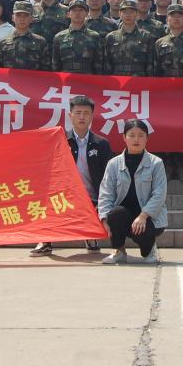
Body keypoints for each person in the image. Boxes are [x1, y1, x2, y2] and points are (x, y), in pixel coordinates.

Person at [30, 95, 112, 256]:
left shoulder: (102, 144)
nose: (82, 117)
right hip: (64, 197)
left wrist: (104, 199)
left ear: (92, 116)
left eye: (86, 113)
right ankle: (45, 241)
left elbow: (108, 176)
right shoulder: (59, 141)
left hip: (92, 199)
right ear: (70, 115)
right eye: (78, 113)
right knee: (44, 203)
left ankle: (90, 236)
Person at [97, 120, 168, 264]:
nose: (136, 140)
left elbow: (159, 194)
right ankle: (119, 251)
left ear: (147, 138)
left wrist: (143, 216)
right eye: (131, 135)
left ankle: (149, 250)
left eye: (141, 135)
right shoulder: (113, 164)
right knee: (115, 214)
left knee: (143, 232)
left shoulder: (156, 163)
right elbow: (106, 193)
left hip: (148, 217)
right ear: (124, 137)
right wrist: (104, 219)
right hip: (124, 216)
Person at [104, 0, 155, 76]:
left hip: (139, 78)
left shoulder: (146, 36)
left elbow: (150, 64)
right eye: (125, 12)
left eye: (131, 12)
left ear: (137, 14)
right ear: (120, 14)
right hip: (118, 79)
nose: (128, 15)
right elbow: (107, 64)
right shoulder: (111, 37)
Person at [52, 0, 104, 73]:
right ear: (68, 14)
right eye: (74, 10)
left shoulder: (94, 36)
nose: (77, 13)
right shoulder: (59, 37)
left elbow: (98, 64)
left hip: (87, 76)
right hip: (66, 75)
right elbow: (55, 64)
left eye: (81, 10)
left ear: (86, 14)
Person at [0, 2, 50, 70]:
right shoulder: (3, 43)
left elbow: (46, 69)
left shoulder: (41, 42)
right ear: (13, 18)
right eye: (18, 15)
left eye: (26, 15)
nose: (22, 19)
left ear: (31, 18)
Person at [153, 5, 183, 77]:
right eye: (173, 16)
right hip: (166, 82)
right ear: (167, 19)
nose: (176, 19)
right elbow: (155, 69)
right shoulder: (160, 43)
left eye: (179, 16)